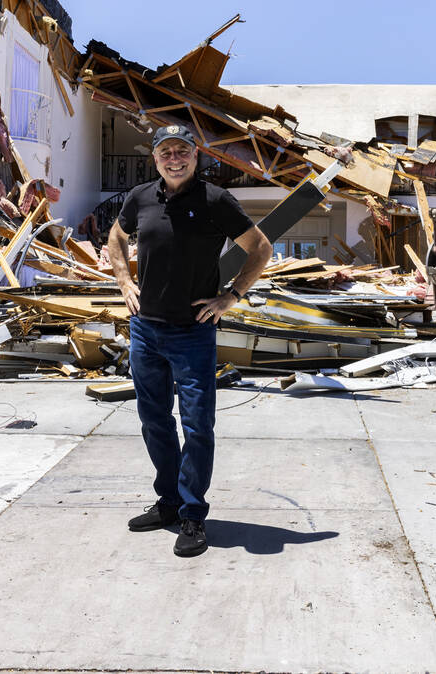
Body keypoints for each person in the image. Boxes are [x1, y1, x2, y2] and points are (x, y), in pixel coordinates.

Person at [106, 123, 272, 557]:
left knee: (197, 427)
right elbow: (116, 239)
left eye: (182, 151)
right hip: (146, 331)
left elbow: (260, 248)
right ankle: (169, 503)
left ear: (195, 157)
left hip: (193, 333)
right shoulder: (140, 197)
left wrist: (230, 296)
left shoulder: (216, 200)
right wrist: (124, 281)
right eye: (166, 152)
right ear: (156, 158)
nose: (174, 158)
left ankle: (193, 515)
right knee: (154, 421)